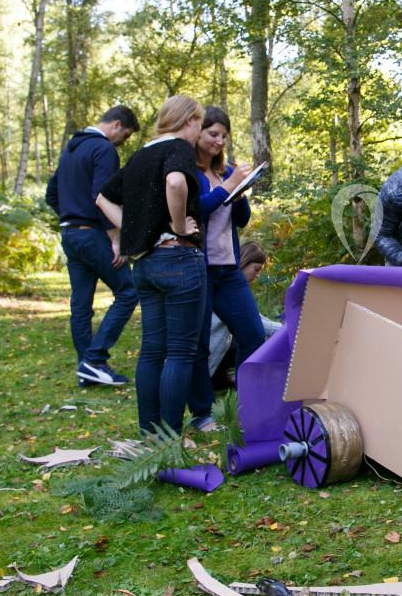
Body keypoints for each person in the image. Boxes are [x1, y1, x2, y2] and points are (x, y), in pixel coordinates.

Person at [96, 95, 206, 436]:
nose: (200, 133)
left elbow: (102, 198)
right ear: (189, 120)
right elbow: (175, 182)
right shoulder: (179, 149)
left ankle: (150, 433)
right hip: (178, 259)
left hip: (145, 265)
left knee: (152, 351)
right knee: (180, 353)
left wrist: (131, 234)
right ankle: (170, 438)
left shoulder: (140, 155)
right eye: (200, 124)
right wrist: (178, 225)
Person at [45, 105, 141, 388]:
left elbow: (51, 194)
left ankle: (85, 369)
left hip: (70, 235)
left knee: (81, 305)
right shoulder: (103, 150)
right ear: (116, 124)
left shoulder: (71, 149)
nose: (122, 142)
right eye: (124, 136)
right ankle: (95, 360)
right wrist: (115, 237)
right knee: (128, 291)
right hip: (93, 234)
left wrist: (70, 214)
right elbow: (103, 196)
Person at [186, 107, 269, 429]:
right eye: (213, 134)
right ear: (198, 134)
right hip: (200, 269)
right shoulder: (190, 173)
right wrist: (226, 188)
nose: (219, 141)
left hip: (229, 270)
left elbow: (242, 220)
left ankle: (247, 404)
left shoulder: (225, 171)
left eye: (224, 135)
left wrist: (240, 190)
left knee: (252, 334)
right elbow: (196, 211)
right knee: (199, 344)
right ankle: (201, 414)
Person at [207, 241, 283, 388]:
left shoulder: (229, 287)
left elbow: (255, 317)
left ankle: (223, 381)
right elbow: (258, 324)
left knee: (246, 336)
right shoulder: (227, 289)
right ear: (244, 261)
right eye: (256, 269)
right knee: (253, 338)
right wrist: (288, 329)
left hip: (215, 349)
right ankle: (245, 387)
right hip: (209, 354)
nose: (257, 275)